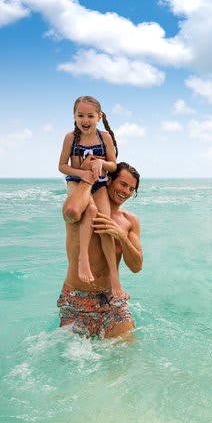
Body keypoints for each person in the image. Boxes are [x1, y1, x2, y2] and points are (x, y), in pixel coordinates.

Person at [57, 162, 142, 339]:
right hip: (77, 299)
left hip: (111, 300)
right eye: (123, 184)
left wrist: (121, 237)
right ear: (109, 180)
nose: (126, 192)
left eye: (131, 189)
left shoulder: (129, 221)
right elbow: (69, 213)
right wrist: (89, 176)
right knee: (76, 361)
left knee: (126, 352)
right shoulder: (85, 209)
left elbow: (136, 267)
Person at [58, 95, 123, 296]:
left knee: (104, 224)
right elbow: (62, 166)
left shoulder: (105, 138)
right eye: (80, 115)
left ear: (99, 116)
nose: (85, 120)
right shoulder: (70, 138)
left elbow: (113, 165)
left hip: (99, 183)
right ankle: (83, 258)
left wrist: (102, 164)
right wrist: (82, 174)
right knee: (89, 209)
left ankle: (115, 278)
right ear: (74, 116)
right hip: (76, 182)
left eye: (90, 116)